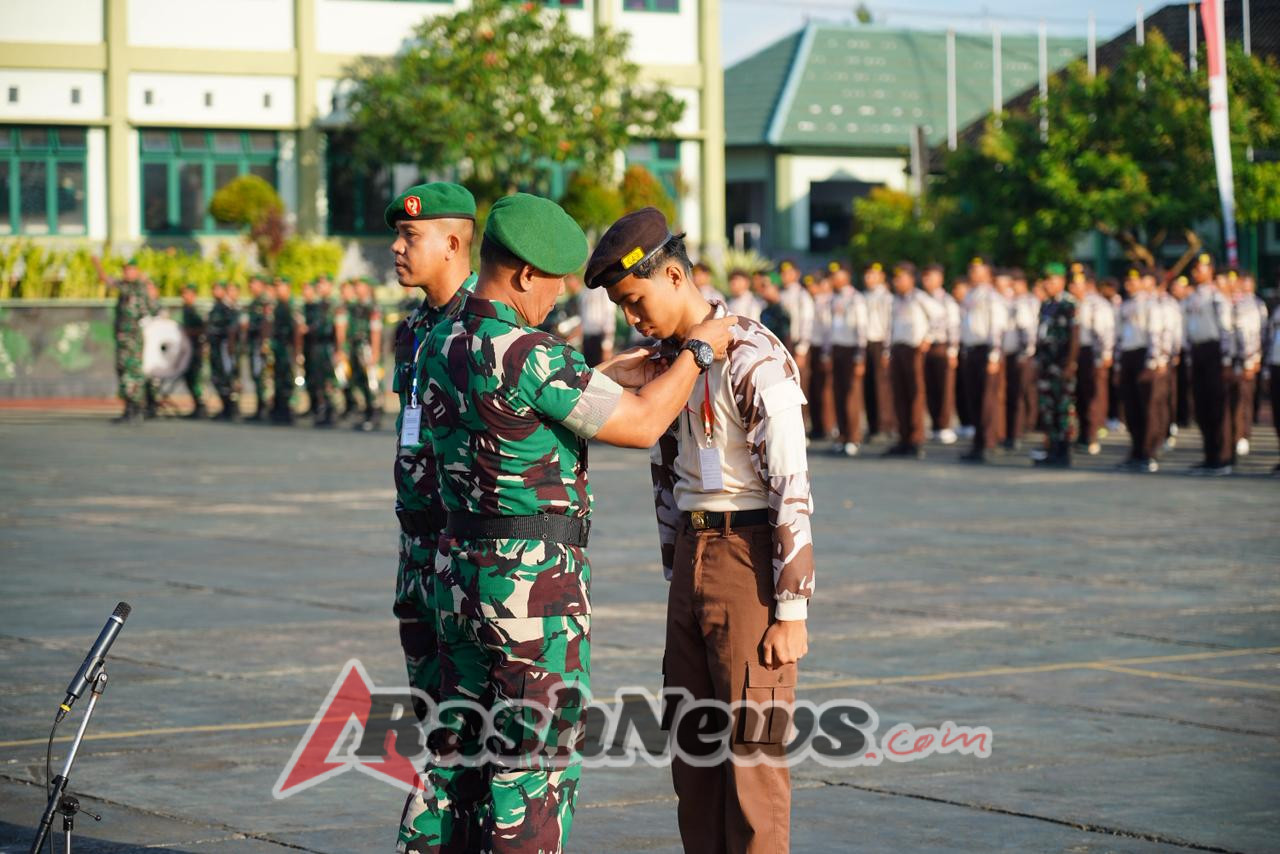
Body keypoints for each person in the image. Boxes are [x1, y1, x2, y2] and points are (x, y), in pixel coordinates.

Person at [407, 195, 735, 853]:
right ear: (526, 274)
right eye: (553, 283)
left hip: (455, 580)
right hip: (530, 597)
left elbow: (532, 404)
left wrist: (608, 375)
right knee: (530, 773)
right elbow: (641, 424)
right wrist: (698, 352)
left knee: (454, 760)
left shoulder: (442, 338)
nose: (556, 301)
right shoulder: (530, 352)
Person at [587, 206, 812, 854]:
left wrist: (792, 607)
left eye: (637, 299)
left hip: (749, 557)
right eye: (623, 306)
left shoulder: (753, 354)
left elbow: (791, 485)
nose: (634, 316)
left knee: (752, 757)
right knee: (695, 754)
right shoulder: (666, 362)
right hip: (691, 556)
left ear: (677, 276)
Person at [1183, 254, 1235, 475]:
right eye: (1194, 269)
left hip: (1214, 352)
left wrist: (1226, 360)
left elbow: (1226, 330)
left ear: (1211, 270)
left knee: (1217, 406)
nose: (1197, 273)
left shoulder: (1217, 298)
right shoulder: (1192, 298)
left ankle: (1223, 457)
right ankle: (1209, 455)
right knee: (1202, 406)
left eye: (1201, 268)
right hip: (1197, 352)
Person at [1114, 269, 1170, 472]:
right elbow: (1119, 337)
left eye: (1134, 279)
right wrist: (1118, 364)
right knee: (1131, 408)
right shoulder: (1126, 305)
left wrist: (1154, 361)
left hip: (1144, 356)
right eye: (1127, 278)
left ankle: (1148, 452)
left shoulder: (1151, 304)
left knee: (1149, 407)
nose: (1130, 282)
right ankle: (1136, 450)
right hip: (1128, 356)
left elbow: (1156, 333)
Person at [959, 259, 1009, 463]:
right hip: (971, 350)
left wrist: (994, 355)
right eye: (971, 269)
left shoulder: (992, 296)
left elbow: (997, 327)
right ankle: (978, 442)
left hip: (986, 351)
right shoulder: (970, 294)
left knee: (988, 399)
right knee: (974, 398)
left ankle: (989, 442)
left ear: (989, 273)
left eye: (978, 270)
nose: (973, 273)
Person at [1030, 263, 1079, 467]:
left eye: (1052, 279)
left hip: (1062, 363)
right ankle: (1052, 449)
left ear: (1062, 281)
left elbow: (1075, 336)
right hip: (1046, 364)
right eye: (1046, 279)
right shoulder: (1046, 304)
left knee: (1063, 409)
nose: (1048, 284)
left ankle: (1064, 452)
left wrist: (1070, 363)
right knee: (1047, 409)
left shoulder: (1069, 304)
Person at [885, 262, 933, 458]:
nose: (898, 282)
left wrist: (928, 338)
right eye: (896, 278)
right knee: (899, 395)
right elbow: (890, 327)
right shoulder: (895, 300)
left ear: (912, 279)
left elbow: (941, 317)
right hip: (898, 348)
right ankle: (903, 438)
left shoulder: (920, 298)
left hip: (914, 349)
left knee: (915, 394)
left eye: (902, 277)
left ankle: (916, 439)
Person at [94, 256, 147, 423]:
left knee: (132, 372)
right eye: (124, 270)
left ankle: (135, 408)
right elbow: (106, 280)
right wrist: (98, 266)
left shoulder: (137, 287)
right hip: (123, 337)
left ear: (136, 271)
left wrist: (98, 264)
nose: (126, 273)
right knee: (123, 371)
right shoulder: (127, 286)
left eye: (129, 270)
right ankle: (131, 408)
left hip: (132, 338)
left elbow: (108, 281)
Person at [1070, 269, 1115, 456]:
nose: (1073, 287)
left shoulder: (1097, 304)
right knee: (1079, 396)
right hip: (1076, 352)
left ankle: (1092, 436)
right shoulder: (1073, 304)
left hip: (1091, 353)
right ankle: (1082, 435)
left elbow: (1104, 332)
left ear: (1088, 284)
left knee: (1092, 396)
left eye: (1077, 284)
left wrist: (1104, 355)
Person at [828, 266, 868, 456]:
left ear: (847, 277)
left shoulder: (856, 299)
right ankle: (842, 435)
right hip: (837, 348)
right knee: (838, 393)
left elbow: (861, 328)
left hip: (851, 349)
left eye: (838, 276)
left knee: (852, 395)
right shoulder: (834, 298)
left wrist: (860, 356)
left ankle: (853, 437)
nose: (834, 279)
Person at [921, 263, 960, 445]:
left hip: (942, 346)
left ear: (940, 279)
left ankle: (945, 425)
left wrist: (953, 351)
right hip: (924, 348)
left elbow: (953, 326)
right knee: (929, 387)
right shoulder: (920, 298)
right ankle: (935, 424)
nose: (928, 281)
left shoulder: (946, 300)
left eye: (932, 277)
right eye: (925, 277)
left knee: (944, 388)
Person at [1001, 271, 1039, 450]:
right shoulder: (1011, 302)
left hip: (1020, 355)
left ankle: (1016, 432)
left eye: (1012, 284)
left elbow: (1028, 330)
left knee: (1018, 395)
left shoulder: (1025, 303)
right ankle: (1010, 432)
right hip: (1009, 355)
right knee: (1010, 395)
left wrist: (1025, 354)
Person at [1231, 272, 1267, 459]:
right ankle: (1235, 434)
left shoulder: (1255, 305)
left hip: (1248, 357)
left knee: (1244, 398)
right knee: (1235, 398)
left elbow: (1257, 335)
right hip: (1232, 358)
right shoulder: (1230, 302)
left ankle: (1243, 434)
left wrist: (1253, 360)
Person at [861, 262, 895, 440]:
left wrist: (887, 351)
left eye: (873, 275)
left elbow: (889, 326)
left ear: (882, 277)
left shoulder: (886, 298)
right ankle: (873, 424)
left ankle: (884, 425)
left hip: (880, 343)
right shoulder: (863, 296)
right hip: (866, 343)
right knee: (868, 386)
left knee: (881, 386)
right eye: (867, 275)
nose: (869, 278)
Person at [348, 279, 384, 431]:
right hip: (357, 347)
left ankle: (375, 415)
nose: (356, 289)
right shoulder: (355, 306)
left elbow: (376, 330)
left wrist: (375, 353)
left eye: (359, 286)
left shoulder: (372, 307)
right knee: (360, 380)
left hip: (368, 347)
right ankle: (366, 413)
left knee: (372, 382)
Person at [269, 277, 301, 425]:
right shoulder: (278, 305)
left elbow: (296, 330)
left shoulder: (290, 305)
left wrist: (297, 351)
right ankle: (279, 408)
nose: (277, 290)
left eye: (280, 286)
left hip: (287, 347)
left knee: (288, 378)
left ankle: (288, 409)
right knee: (278, 378)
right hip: (279, 347)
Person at [306, 278, 338, 427]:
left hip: (328, 346)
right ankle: (323, 410)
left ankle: (331, 411)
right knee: (318, 380)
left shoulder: (334, 306)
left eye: (322, 284)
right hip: (317, 346)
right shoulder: (317, 306)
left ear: (330, 286)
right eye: (318, 284)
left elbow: (339, 330)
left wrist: (339, 350)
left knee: (328, 380)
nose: (319, 287)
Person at [206, 282, 240, 420]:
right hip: (216, 348)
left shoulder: (229, 309)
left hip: (224, 348)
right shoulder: (217, 308)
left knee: (227, 377)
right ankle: (225, 407)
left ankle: (230, 409)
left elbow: (232, 330)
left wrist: (230, 348)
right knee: (218, 377)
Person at [242, 276, 273, 421]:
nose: (251, 286)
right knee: (256, 375)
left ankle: (264, 408)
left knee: (261, 375)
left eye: (254, 284)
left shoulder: (264, 301)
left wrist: (264, 343)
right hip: (253, 343)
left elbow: (266, 323)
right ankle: (260, 407)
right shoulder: (254, 302)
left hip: (260, 344)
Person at [575, 272, 617, 365]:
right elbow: (583, 317)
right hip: (587, 340)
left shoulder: (604, 288)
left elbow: (609, 316)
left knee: (600, 372)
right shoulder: (585, 290)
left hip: (599, 339)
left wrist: (607, 345)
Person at [179, 284, 207, 418]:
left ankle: (201, 405)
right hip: (186, 350)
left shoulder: (195, 311)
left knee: (195, 378)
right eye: (183, 293)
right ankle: (197, 405)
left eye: (188, 293)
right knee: (188, 376)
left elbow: (203, 329)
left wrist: (189, 332)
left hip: (196, 348)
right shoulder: (185, 310)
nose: (184, 296)